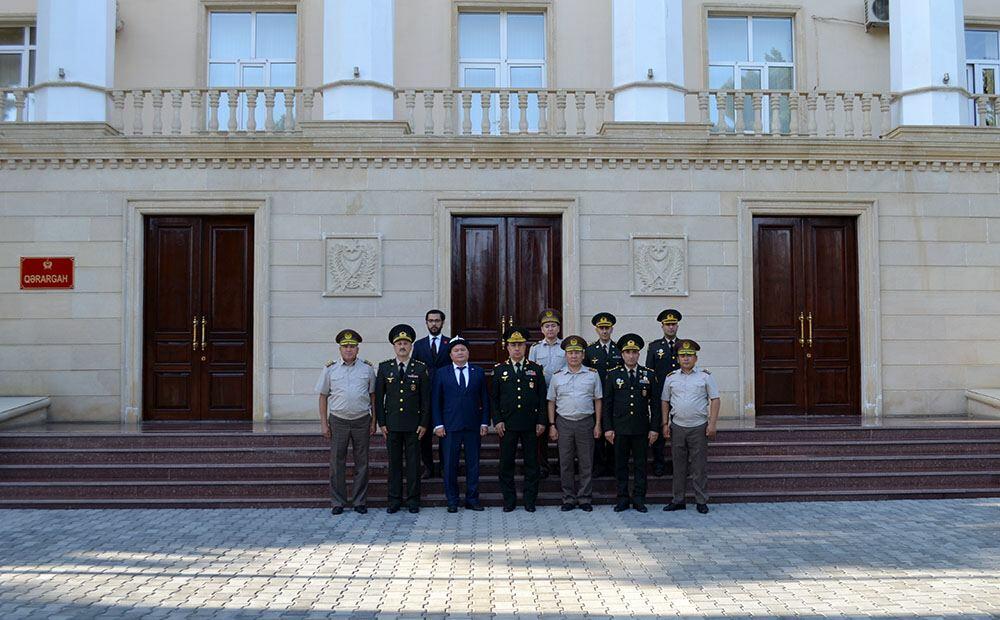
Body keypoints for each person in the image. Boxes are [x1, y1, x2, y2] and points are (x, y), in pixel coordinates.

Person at [315, 329, 376, 516]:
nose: (349, 349)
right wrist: (324, 423)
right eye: (345, 346)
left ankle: (359, 501)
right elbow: (323, 396)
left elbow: (373, 396)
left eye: (352, 346)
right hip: (338, 421)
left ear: (358, 349)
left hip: (361, 420)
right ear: (340, 349)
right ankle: (338, 502)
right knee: (337, 463)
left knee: (362, 463)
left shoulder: (367, 369)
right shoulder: (330, 368)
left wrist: (374, 421)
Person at [374, 324, 431, 514]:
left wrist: (424, 423)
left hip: (414, 426)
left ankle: (413, 500)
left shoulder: (420, 368)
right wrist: (382, 423)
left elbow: (426, 399)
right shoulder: (385, 368)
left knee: (413, 465)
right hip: (392, 425)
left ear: (411, 346)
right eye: (399, 343)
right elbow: (379, 399)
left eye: (406, 343)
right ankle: (394, 500)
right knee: (395, 464)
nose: (402, 346)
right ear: (394, 346)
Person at [491, 326, 547, 512]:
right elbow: (494, 399)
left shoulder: (535, 369)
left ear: (525, 347)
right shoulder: (500, 370)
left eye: (520, 345)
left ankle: (530, 500)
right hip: (507, 425)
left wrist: (541, 421)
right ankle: (509, 500)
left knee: (532, 464)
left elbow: (542, 397)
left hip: (531, 424)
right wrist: (497, 420)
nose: (517, 348)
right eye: (513, 345)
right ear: (507, 347)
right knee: (506, 464)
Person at [661, 339, 721, 515]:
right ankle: (678, 500)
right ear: (677, 358)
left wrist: (712, 423)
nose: (686, 358)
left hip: (698, 427)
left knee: (699, 466)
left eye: (689, 355)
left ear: (695, 358)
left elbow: (715, 399)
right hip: (678, 427)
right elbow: (665, 401)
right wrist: (665, 423)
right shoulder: (671, 377)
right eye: (682, 355)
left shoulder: (705, 376)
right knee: (678, 466)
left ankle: (701, 500)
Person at [431, 337, 490, 512]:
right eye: (456, 350)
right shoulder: (442, 373)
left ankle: (472, 499)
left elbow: (485, 399)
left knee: (473, 465)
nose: (460, 353)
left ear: (468, 353)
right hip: (449, 427)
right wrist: (438, 424)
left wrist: (485, 422)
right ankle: (452, 500)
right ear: (450, 355)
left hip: (473, 425)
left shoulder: (478, 372)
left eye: (463, 350)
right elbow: (435, 401)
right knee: (450, 465)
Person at [602, 334, 659, 512]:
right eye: (627, 352)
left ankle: (639, 499)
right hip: (620, 429)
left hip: (641, 429)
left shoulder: (648, 374)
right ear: (622, 354)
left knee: (641, 465)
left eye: (634, 352)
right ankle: (622, 498)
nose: (631, 356)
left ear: (639, 354)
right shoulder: (613, 374)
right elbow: (607, 404)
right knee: (620, 465)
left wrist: (654, 428)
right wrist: (608, 428)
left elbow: (655, 404)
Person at [547, 335, 603, 512]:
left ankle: (585, 498)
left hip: (585, 422)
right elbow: (551, 401)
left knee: (586, 462)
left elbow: (598, 400)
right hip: (564, 423)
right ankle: (568, 498)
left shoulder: (592, 374)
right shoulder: (557, 376)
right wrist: (552, 425)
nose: (574, 356)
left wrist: (598, 424)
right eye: (570, 353)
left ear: (583, 355)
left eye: (577, 352)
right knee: (566, 463)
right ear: (565, 355)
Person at [412, 309, 450, 479]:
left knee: (445, 433)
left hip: (445, 395)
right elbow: (414, 369)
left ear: (443, 322)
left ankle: (444, 467)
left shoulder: (450, 343)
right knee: (424, 434)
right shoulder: (419, 345)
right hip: (424, 396)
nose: (434, 324)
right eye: (431, 321)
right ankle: (428, 467)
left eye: (437, 320)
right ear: (426, 323)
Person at [528, 308, 566, 479]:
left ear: (559, 328)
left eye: (553, 326)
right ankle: (542, 465)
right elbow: (531, 372)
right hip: (542, 396)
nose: (550, 329)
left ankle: (561, 465)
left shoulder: (565, 347)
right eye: (547, 326)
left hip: (562, 396)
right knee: (541, 432)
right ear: (542, 329)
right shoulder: (535, 348)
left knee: (562, 431)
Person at [584, 312, 622, 478]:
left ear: (612, 329)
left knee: (614, 431)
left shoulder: (619, 349)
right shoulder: (590, 350)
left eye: (607, 328)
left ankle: (613, 464)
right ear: (596, 330)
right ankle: (599, 465)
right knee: (597, 432)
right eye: (601, 328)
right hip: (595, 398)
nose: (604, 331)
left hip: (615, 397)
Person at [646, 308, 683, 477]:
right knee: (659, 429)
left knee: (679, 431)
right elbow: (649, 372)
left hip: (679, 396)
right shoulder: (654, 347)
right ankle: (658, 463)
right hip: (660, 396)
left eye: (673, 324)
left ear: (677, 326)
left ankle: (679, 464)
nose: (671, 327)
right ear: (662, 326)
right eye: (668, 324)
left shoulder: (683, 346)